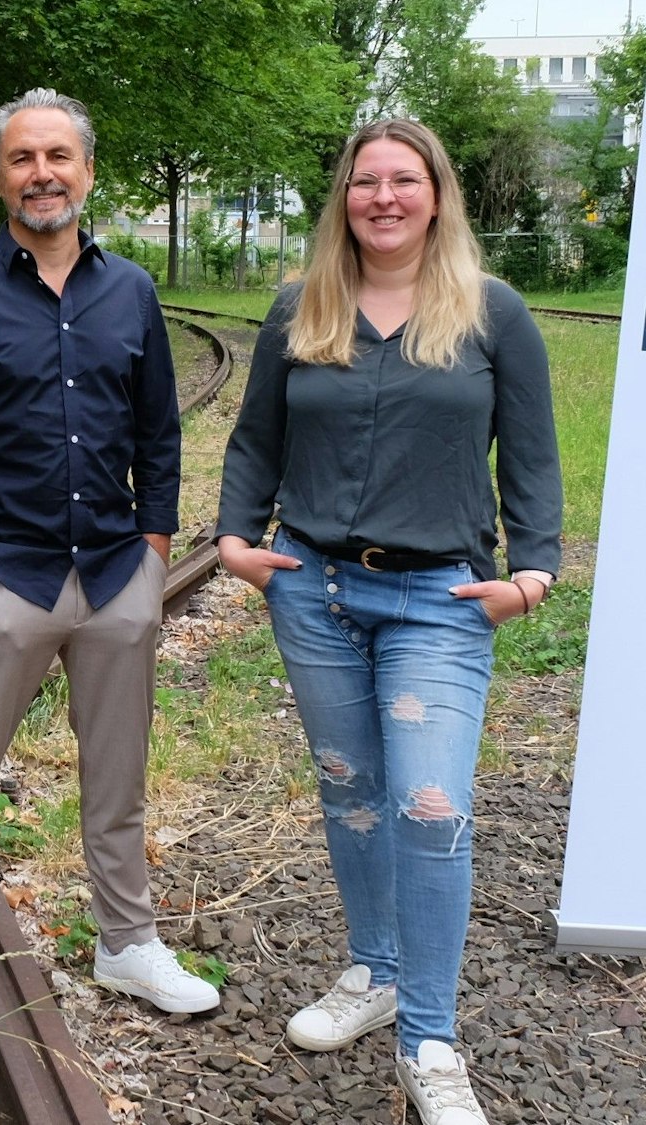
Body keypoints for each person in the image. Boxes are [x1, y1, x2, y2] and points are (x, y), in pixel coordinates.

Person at [214, 119, 560, 1125]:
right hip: (315, 595)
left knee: (428, 807)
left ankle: (428, 1041)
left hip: (436, 603)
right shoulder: (299, 309)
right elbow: (253, 442)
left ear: (435, 195)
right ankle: (371, 970)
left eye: (401, 180)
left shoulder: (490, 315)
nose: (381, 197)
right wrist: (237, 542)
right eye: (362, 182)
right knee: (352, 793)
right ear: (343, 201)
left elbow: (531, 460)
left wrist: (531, 575)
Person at [0, 88, 218, 1065]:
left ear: (86, 172)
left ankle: (126, 944)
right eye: (22, 158)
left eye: (57, 156)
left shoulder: (131, 292)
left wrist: (153, 557)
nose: (41, 173)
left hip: (114, 577)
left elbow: (157, 433)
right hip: (6, 583)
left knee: (116, 787)